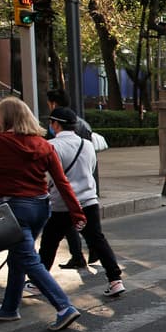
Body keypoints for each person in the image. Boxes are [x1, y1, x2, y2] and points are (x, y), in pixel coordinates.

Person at [0, 96, 85, 331]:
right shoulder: (44, 145)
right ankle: (9, 308)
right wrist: (77, 212)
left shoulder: (2, 143)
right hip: (41, 207)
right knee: (19, 257)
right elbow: (62, 182)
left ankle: (64, 307)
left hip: (15, 209)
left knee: (27, 259)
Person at [38, 107, 126, 297]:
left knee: (49, 241)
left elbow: (49, 177)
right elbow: (91, 168)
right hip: (88, 201)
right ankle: (115, 279)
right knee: (97, 240)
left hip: (63, 204)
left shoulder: (51, 146)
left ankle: (38, 281)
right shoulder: (87, 145)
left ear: (56, 124)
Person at [45, 88, 92, 268]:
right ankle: (85, 255)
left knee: (54, 234)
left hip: (64, 187)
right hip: (84, 185)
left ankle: (38, 279)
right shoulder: (84, 125)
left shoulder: (56, 133)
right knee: (86, 228)